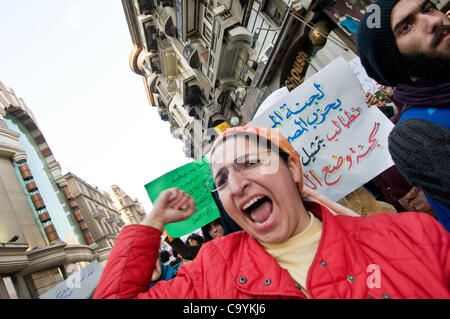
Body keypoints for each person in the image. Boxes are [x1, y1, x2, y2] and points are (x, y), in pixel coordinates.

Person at [93, 126, 449, 299]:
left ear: (292, 168)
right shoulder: (209, 274)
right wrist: (152, 222)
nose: (235, 185)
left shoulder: (412, 235)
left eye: (248, 163)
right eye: (221, 179)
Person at [357, 0, 450, 231]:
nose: (434, 20)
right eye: (406, 27)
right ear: (392, 60)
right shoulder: (413, 135)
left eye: (428, 9)